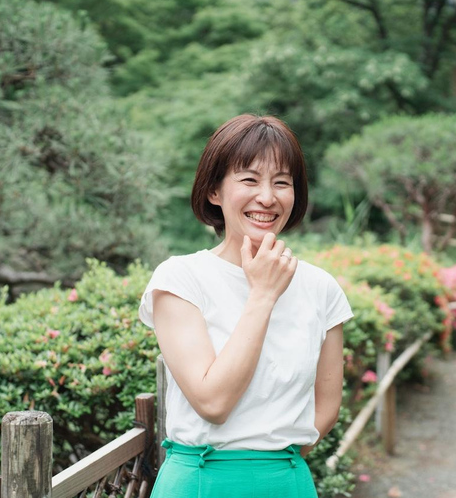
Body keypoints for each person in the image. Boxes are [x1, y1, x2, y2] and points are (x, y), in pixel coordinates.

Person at [138, 114, 353, 498]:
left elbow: (328, 405)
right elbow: (212, 402)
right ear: (214, 191)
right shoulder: (181, 279)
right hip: (199, 481)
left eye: (282, 183)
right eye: (249, 180)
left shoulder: (321, 287)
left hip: (286, 482)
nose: (267, 198)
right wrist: (263, 294)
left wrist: (274, 459)